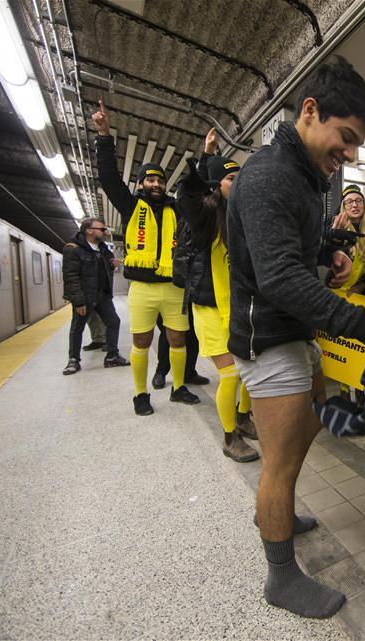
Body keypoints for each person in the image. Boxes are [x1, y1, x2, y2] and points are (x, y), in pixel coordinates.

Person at [227, 56, 365, 619]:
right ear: (309, 112)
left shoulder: (305, 176)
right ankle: (281, 575)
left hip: (294, 333)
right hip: (268, 339)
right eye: (346, 137)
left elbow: (289, 249)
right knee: (280, 465)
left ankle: (280, 508)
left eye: (358, 143)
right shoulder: (269, 176)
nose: (352, 154)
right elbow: (278, 277)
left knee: (309, 422)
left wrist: (328, 251)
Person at [92, 100, 200, 415]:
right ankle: (141, 395)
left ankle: (178, 388)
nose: (155, 184)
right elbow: (109, 178)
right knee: (141, 342)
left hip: (173, 287)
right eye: (150, 180)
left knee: (178, 339)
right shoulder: (130, 206)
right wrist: (103, 136)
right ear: (141, 184)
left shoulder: (177, 208)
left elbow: (195, 200)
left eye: (160, 180)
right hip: (141, 288)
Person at [176, 134, 259, 463]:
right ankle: (229, 437)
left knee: (250, 371)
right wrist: (205, 157)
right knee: (230, 374)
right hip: (210, 309)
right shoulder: (206, 216)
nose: (237, 184)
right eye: (230, 179)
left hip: (239, 307)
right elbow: (187, 196)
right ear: (216, 184)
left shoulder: (244, 216)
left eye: (241, 179)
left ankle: (243, 416)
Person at [61, 217, 129, 374]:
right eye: (102, 229)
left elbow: (100, 273)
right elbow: (71, 277)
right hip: (85, 297)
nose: (105, 232)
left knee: (114, 322)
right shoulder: (73, 249)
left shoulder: (104, 250)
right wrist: (78, 301)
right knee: (77, 327)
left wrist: (111, 267)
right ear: (89, 231)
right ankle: (73, 360)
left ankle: (112, 356)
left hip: (103, 296)